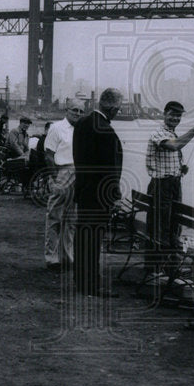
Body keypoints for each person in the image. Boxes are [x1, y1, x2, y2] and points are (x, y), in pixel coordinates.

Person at [72, 89, 124, 296]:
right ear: (111, 108)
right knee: (94, 240)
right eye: (118, 109)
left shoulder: (82, 124)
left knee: (83, 237)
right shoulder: (106, 131)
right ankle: (91, 285)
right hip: (99, 197)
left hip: (84, 191)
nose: (118, 112)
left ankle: (81, 281)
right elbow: (110, 170)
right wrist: (115, 197)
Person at [145, 101, 194, 252]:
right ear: (164, 114)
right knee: (162, 225)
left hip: (174, 183)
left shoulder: (172, 133)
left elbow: (172, 150)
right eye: (172, 114)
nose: (175, 118)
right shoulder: (158, 133)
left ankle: (168, 258)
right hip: (161, 185)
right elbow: (174, 145)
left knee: (174, 223)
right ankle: (159, 262)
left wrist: (181, 168)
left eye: (178, 116)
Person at [43, 104, 83, 270]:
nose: (77, 113)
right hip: (62, 172)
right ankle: (51, 258)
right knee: (55, 218)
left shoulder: (81, 130)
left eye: (81, 111)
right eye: (74, 110)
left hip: (78, 173)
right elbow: (48, 154)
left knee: (72, 220)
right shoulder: (56, 128)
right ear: (67, 110)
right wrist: (55, 178)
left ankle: (68, 257)